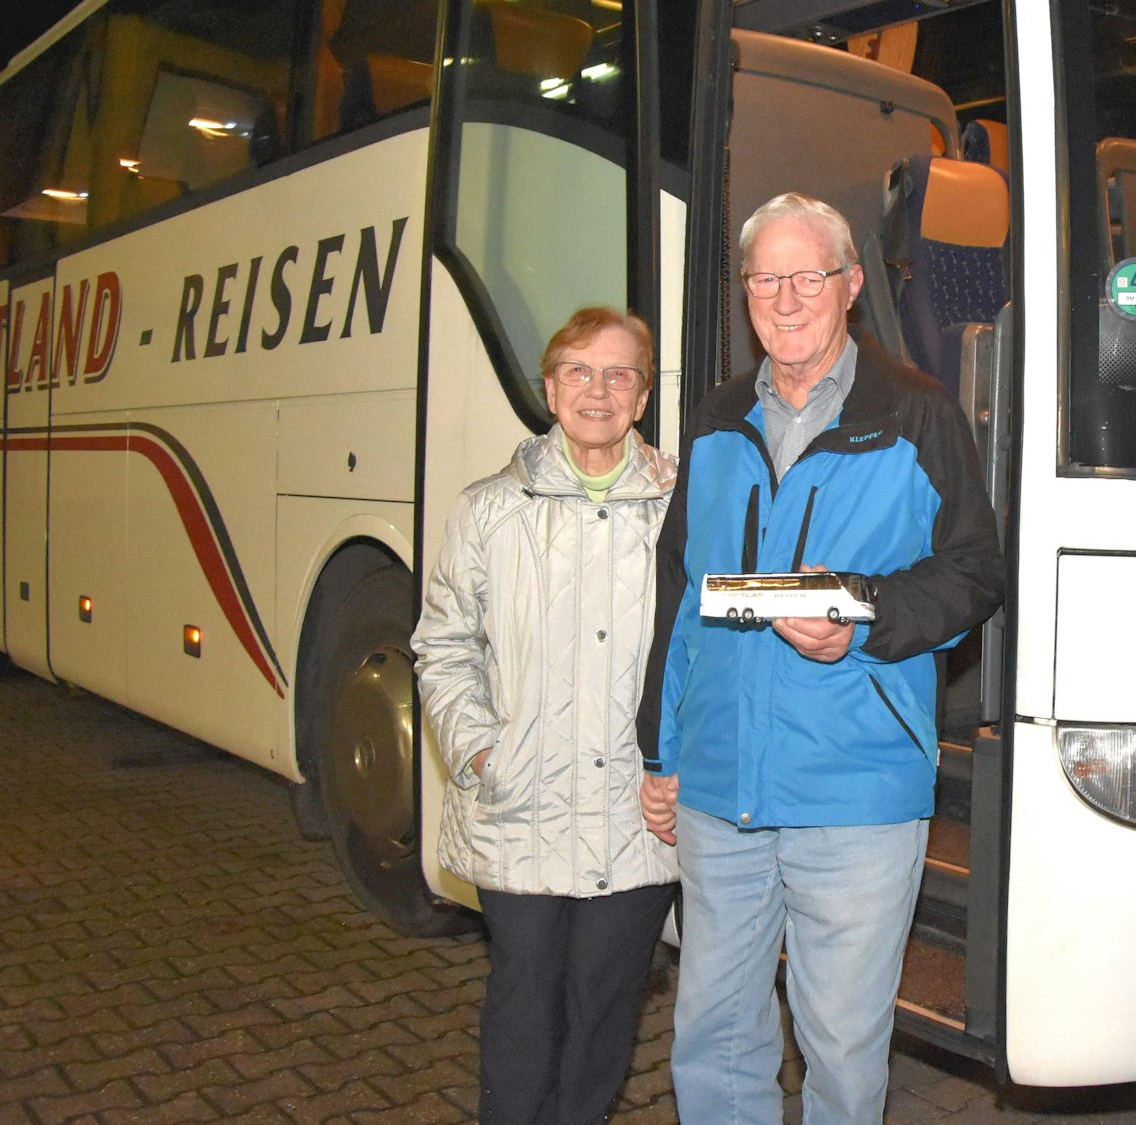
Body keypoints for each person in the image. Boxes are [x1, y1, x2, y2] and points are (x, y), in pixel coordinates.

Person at [638, 193, 1004, 1122]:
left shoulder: (918, 414)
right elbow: (679, 590)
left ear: (848, 286)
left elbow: (973, 573)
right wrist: (660, 752)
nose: (787, 297)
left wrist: (865, 613)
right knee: (714, 1035)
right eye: (767, 277)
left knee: (840, 1046)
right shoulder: (717, 421)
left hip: (856, 786)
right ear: (746, 293)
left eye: (809, 275)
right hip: (722, 788)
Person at [413, 306, 679, 1125]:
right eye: (579, 372)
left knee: (605, 1009)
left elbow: (709, 654)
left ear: (641, 397)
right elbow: (443, 642)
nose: (598, 390)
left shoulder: (679, 508)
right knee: (524, 999)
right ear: (550, 388)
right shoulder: (490, 509)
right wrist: (480, 752)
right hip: (520, 805)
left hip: (636, 817)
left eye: (619, 374)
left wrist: (686, 764)